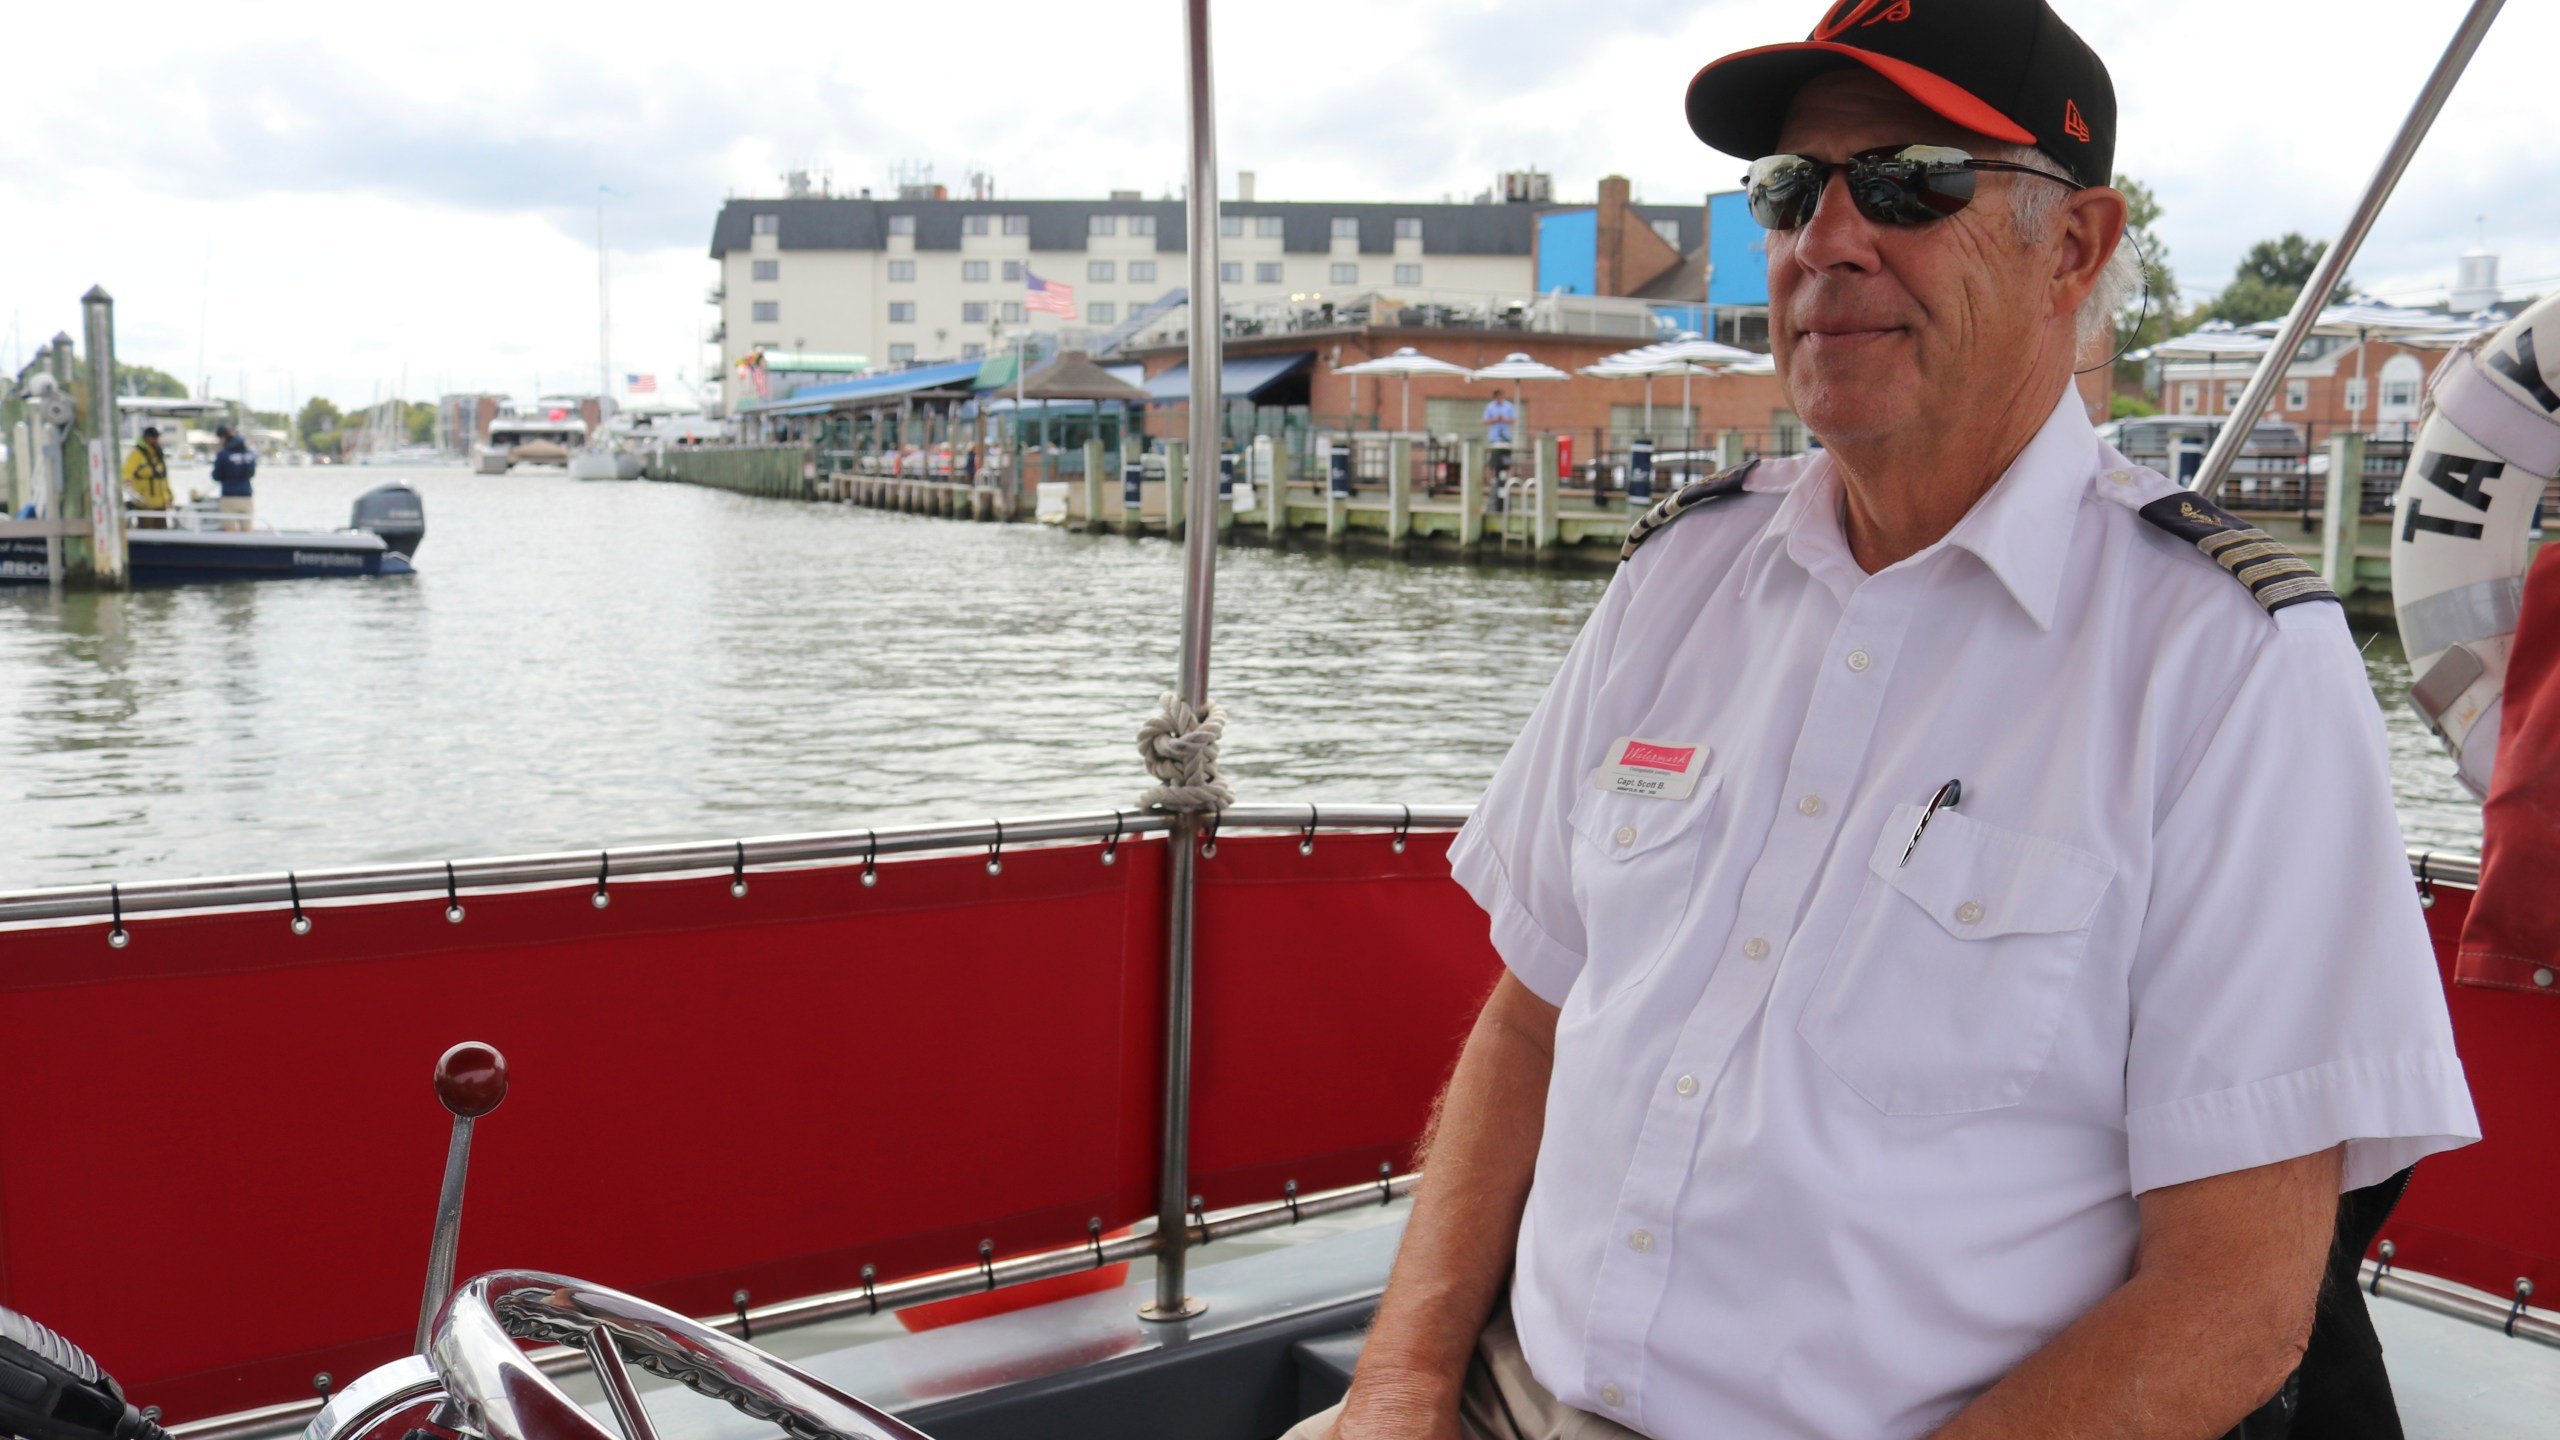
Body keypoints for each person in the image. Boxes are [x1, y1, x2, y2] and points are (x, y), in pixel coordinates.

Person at [1298, 4, 2477, 1439]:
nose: (1829, 240)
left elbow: (2233, 1300)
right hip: (1503, 1400)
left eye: (1911, 180)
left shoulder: (2227, 665)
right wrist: (1402, 1382)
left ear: (2077, 249)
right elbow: (1534, 1025)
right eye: (1795, 190)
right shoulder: (1681, 580)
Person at [211, 425, 258, 531]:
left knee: (229, 532)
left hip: (229, 496)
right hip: (247, 496)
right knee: (247, 531)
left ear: (223, 437)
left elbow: (216, 476)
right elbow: (252, 473)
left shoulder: (223, 454)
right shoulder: (249, 454)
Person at [123, 426, 172, 526]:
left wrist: (170, 497)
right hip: (145, 503)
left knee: (162, 532)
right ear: (147, 438)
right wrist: (128, 481)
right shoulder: (136, 454)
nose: (157, 440)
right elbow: (126, 471)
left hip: (160, 503)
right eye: (154, 437)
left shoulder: (158, 454)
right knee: (147, 528)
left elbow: (164, 479)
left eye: (157, 437)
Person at [1482, 393, 1517, 478]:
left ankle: (1509, 478)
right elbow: (1485, 421)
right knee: (1493, 459)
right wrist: (1494, 419)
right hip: (1494, 437)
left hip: (1506, 436)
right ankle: (1491, 478)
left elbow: (1514, 420)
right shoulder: (1490, 407)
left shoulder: (1508, 406)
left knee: (1507, 459)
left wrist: (1504, 419)